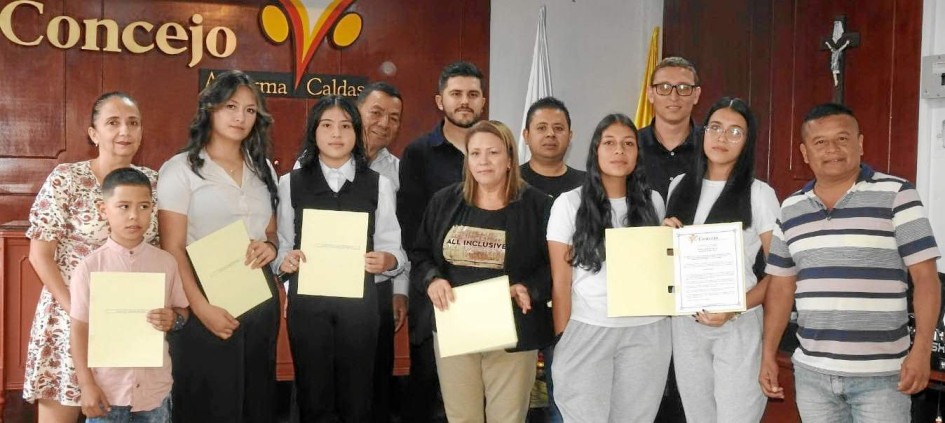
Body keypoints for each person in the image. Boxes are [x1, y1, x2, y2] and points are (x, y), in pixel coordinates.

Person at [760, 103, 941, 422]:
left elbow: (926, 278)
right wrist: (768, 354)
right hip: (812, 375)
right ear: (805, 152)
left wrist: (921, 349)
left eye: (842, 139)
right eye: (820, 142)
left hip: (883, 376)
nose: (832, 149)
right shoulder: (790, 209)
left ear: (860, 143)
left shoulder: (898, 194)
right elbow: (781, 288)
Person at [23, 92, 159, 423]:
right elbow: (40, 255)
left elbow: (162, 251)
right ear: (94, 133)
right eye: (113, 123)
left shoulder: (154, 182)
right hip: (69, 319)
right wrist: (77, 310)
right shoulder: (66, 179)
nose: (124, 131)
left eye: (133, 123)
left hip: (128, 323)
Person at [157, 70, 281, 422]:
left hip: (258, 294)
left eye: (250, 110)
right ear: (210, 109)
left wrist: (270, 247)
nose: (240, 117)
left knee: (256, 398)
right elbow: (173, 248)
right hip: (202, 296)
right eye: (231, 106)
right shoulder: (179, 170)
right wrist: (200, 309)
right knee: (209, 400)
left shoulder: (263, 170)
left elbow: (271, 231)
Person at [410, 120, 553, 422]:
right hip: (455, 328)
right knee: (462, 418)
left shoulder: (538, 206)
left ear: (510, 159)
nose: (483, 161)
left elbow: (553, 266)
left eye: (493, 152)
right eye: (475, 153)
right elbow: (421, 254)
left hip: (512, 329)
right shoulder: (444, 202)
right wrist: (432, 280)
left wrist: (529, 288)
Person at [276, 95, 407, 422]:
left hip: (361, 307)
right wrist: (285, 262)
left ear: (357, 132)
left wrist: (387, 260)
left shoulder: (380, 184)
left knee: (358, 398)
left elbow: (396, 248)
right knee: (312, 396)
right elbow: (280, 246)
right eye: (327, 125)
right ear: (313, 131)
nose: (336, 134)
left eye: (346, 126)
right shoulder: (289, 183)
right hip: (308, 307)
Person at [548, 113, 670, 422]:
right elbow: (560, 283)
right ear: (595, 151)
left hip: (647, 332)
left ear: (637, 154)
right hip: (589, 328)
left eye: (628, 144)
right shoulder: (568, 204)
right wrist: (563, 336)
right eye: (610, 143)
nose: (619, 151)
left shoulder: (653, 202)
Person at [663, 97, 778, 422]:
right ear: (702, 134)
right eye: (715, 128)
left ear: (748, 142)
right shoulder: (680, 186)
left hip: (737, 325)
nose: (722, 138)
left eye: (735, 132)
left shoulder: (759, 193)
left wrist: (736, 306)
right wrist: (662, 239)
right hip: (686, 326)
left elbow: (781, 274)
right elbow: (667, 263)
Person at [398, 60, 487, 422]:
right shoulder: (418, 154)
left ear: (483, 102)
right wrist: (436, 275)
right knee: (427, 390)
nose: (464, 101)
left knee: (477, 397)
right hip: (435, 290)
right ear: (440, 101)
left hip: (484, 290)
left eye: (472, 94)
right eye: (456, 94)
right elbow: (411, 227)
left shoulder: (497, 151)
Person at [69, 168, 189, 422]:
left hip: (154, 392)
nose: (134, 216)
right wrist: (86, 384)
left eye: (144, 206)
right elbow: (79, 328)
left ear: (152, 209)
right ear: (104, 210)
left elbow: (182, 311)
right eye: (123, 206)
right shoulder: (90, 267)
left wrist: (174, 319)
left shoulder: (166, 262)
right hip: (107, 392)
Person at [518, 96, 584, 422]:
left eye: (559, 128)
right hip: (523, 308)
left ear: (571, 136)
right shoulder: (506, 183)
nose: (550, 135)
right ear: (526, 134)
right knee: (519, 407)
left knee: (568, 401)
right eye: (541, 127)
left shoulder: (589, 187)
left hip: (576, 308)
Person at [638, 56, 703, 200]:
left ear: (696, 95)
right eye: (664, 87)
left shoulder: (711, 146)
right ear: (650, 94)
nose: (674, 97)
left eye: (683, 88)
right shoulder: (631, 146)